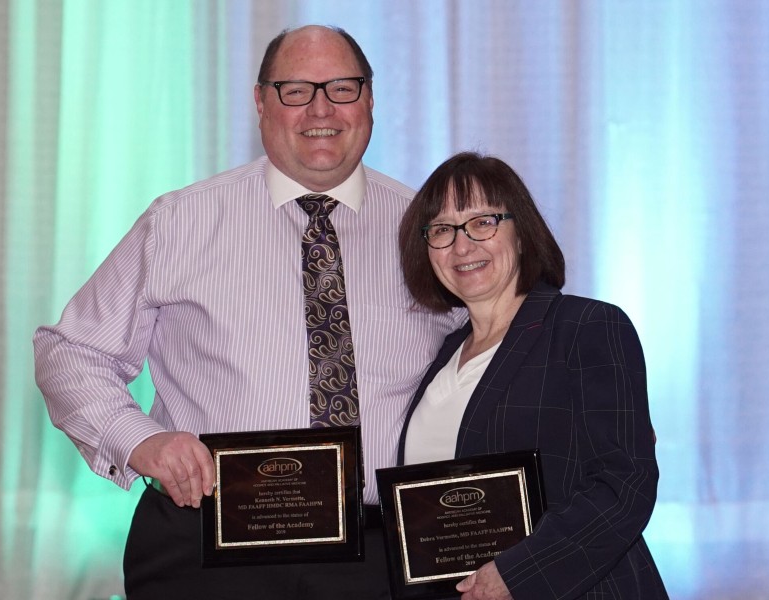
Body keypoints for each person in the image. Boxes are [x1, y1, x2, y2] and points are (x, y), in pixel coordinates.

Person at [33, 25, 463, 599]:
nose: (321, 109)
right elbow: (71, 351)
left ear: (370, 101)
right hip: (206, 548)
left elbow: (488, 364)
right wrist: (140, 440)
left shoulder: (430, 230)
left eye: (342, 87)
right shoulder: (180, 222)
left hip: (382, 556)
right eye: (295, 90)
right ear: (260, 102)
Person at [397, 151, 669, 600]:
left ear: (521, 233)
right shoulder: (443, 353)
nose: (462, 246)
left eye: (483, 222)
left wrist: (516, 575)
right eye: (442, 230)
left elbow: (625, 482)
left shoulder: (587, 327)